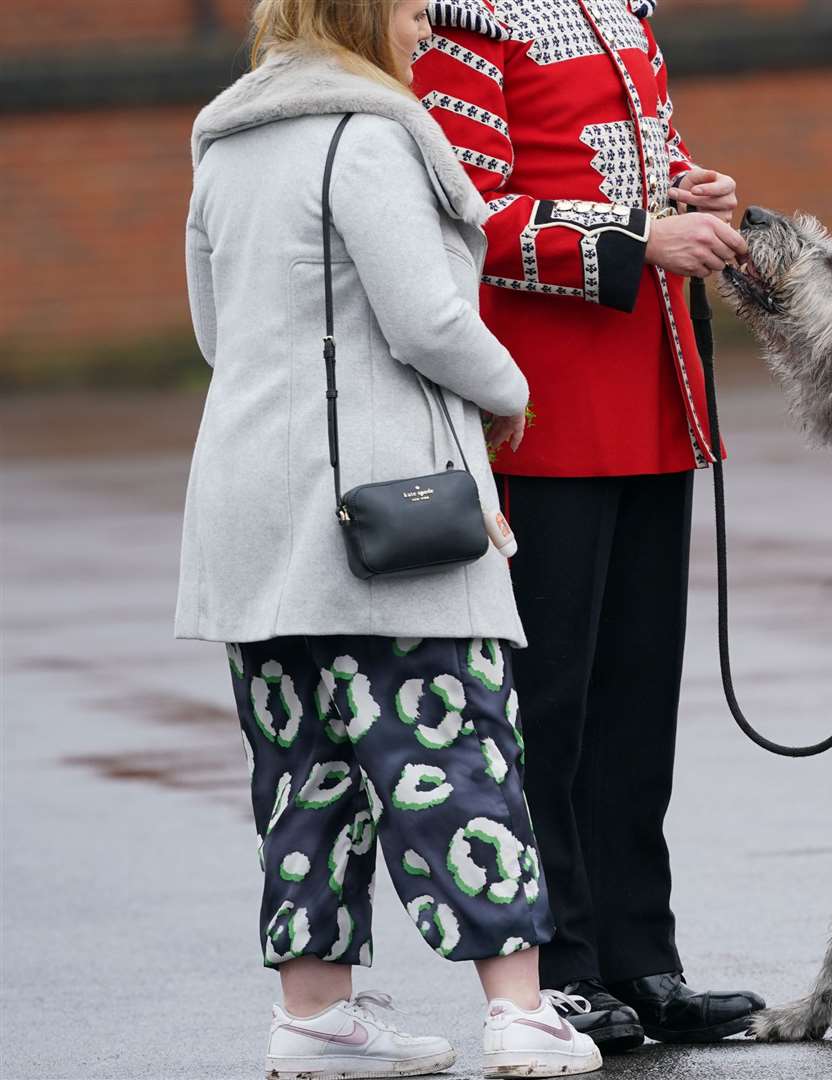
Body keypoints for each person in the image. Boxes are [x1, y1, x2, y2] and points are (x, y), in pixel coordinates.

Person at [178, 0, 601, 1075]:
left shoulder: (225, 142)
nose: (427, 26)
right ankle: (519, 1011)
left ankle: (314, 1016)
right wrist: (511, 390)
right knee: (456, 748)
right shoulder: (369, 135)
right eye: (412, 7)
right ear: (359, 14)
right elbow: (427, 320)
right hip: (379, 509)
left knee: (302, 771)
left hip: (249, 512)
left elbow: (212, 327)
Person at [411, 0, 765, 1052]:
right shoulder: (470, 27)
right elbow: (471, 216)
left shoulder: (621, 11)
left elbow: (635, 167)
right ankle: (558, 965)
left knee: (635, 701)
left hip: (655, 399)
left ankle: (639, 955)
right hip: (544, 411)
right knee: (545, 709)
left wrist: (700, 195)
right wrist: (637, 236)